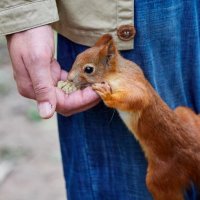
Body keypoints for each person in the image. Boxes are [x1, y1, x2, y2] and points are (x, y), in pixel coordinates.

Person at [1, 0, 200, 199]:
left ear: (109, 61)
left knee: (152, 183)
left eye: (88, 71)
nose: (70, 77)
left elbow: (139, 99)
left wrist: (110, 97)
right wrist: (26, 15)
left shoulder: (124, 81)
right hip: (105, 12)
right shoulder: (123, 69)